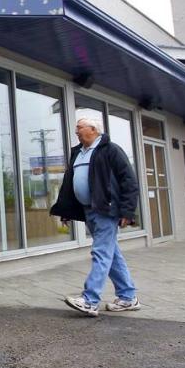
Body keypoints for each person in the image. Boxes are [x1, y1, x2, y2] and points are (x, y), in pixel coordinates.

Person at [51, 117, 141, 317]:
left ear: (94, 129)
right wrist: (65, 210)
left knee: (101, 252)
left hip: (106, 210)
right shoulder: (78, 153)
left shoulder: (110, 150)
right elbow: (69, 182)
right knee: (111, 254)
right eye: (76, 127)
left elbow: (129, 181)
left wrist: (127, 211)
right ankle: (127, 297)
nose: (76, 131)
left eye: (80, 127)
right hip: (88, 209)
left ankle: (90, 300)